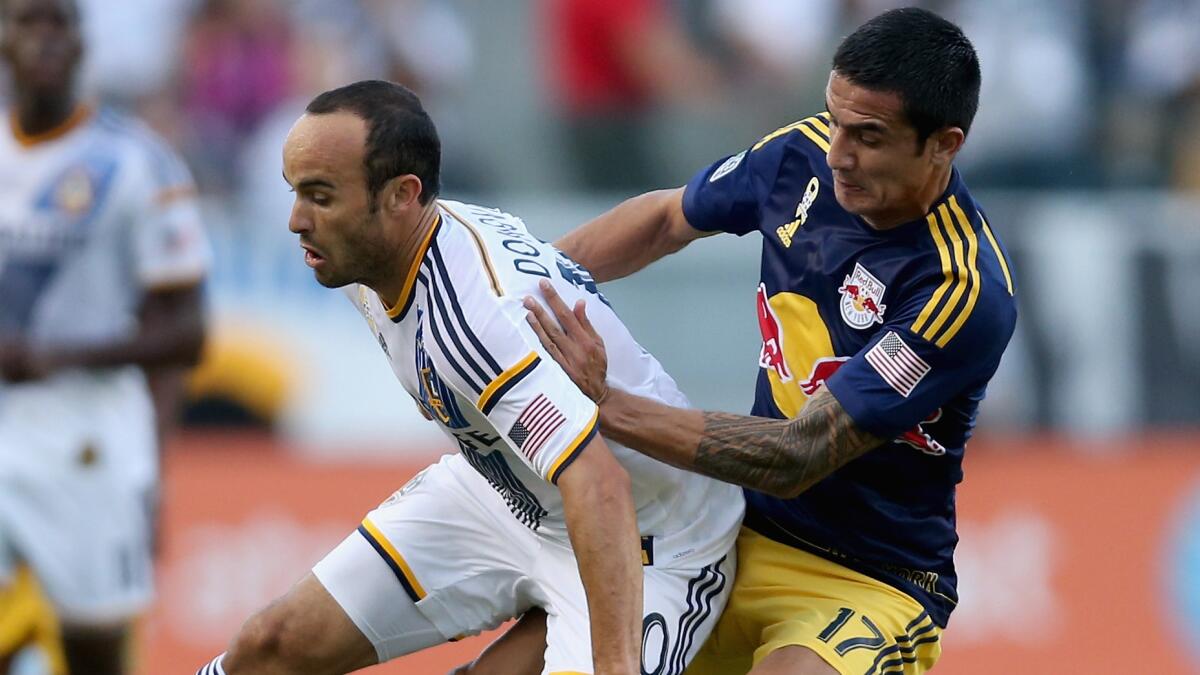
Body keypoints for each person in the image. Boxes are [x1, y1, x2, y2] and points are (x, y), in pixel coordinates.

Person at [517, 8, 1017, 675]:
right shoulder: (800, 156)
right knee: (517, 662)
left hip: (866, 577)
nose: (838, 152)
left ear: (943, 144)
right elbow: (669, 218)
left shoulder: (960, 288)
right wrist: (525, 288)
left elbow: (798, 453)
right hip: (728, 533)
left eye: (868, 136)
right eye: (835, 119)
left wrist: (606, 403)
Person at [194, 80, 742, 675]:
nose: (297, 220)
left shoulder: (474, 320)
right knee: (267, 649)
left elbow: (599, 486)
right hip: (505, 488)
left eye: (320, 196)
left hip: (647, 538)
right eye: (295, 192)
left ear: (402, 195)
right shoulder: (373, 255)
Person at [0, 0, 210, 673]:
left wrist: (54, 355)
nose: (45, 40)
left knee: (93, 646)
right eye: (27, 22)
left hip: (87, 437)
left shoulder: (138, 162)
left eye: (60, 23)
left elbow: (188, 332)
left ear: (85, 42)